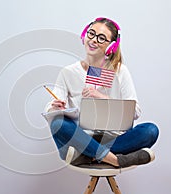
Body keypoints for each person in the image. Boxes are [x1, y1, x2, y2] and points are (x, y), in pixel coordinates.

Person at [44, 17, 159, 168]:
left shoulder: (120, 71)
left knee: (150, 130)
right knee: (58, 123)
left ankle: (91, 156)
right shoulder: (68, 72)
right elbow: (50, 109)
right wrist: (54, 107)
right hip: (81, 138)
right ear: (84, 35)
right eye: (91, 33)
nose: (93, 40)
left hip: (111, 140)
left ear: (111, 46)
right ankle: (116, 160)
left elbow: (136, 111)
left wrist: (102, 97)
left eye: (101, 38)